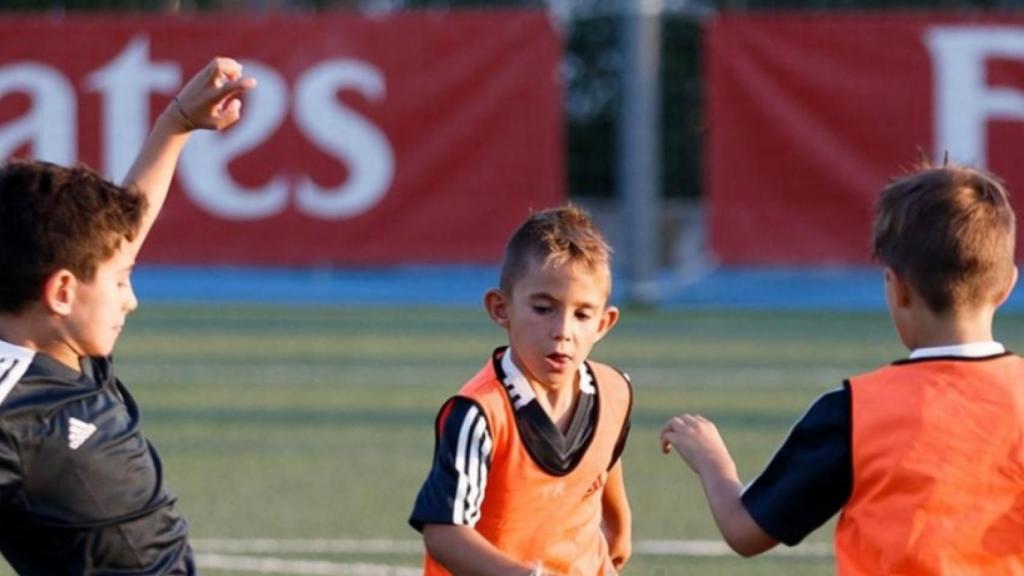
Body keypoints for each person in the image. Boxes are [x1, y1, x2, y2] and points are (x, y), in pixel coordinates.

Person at [660, 164, 1024, 574]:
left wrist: (712, 459)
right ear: (1007, 286)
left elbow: (746, 531)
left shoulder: (854, 411)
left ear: (897, 288)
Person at [0, 57, 255, 575]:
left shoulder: (66, 343)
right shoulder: (13, 404)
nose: (130, 298)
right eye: (120, 281)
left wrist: (177, 124)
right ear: (63, 292)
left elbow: (116, 238)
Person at [409, 205, 633, 576]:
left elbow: (604, 458)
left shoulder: (615, 390)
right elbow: (443, 532)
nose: (563, 330)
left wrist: (620, 526)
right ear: (501, 309)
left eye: (582, 315)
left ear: (604, 323)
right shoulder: (479, 413)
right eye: (544, 308)